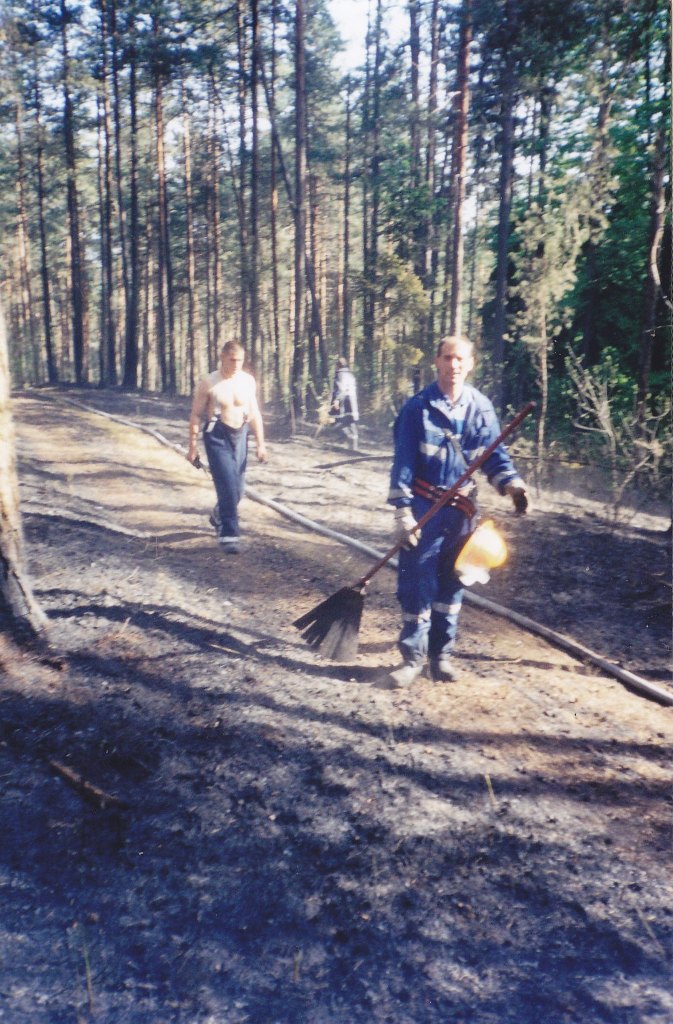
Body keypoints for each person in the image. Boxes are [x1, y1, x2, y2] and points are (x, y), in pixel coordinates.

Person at [387, 335, 528, 687]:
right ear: (437, 361)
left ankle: (441, 657)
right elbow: (403, 463)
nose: (454, 365)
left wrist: (512, 486)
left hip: (462, 513)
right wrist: (403, 512)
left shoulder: (481, 408)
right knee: (417, 584)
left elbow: (496, 457)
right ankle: (412, 659)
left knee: (454, 584)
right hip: (425, 507)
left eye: (460, 359)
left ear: (471, 363)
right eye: (448, 358)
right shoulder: (417, 408)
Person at [187, 340, 268, 552]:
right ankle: (229, 535)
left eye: (240, 360)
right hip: (217, 434)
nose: (236, 364)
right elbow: (196, 414)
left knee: (238, 488)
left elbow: (254, 414)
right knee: (227, 484)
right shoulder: (209, 382)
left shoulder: (248, 381)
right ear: (222, 358)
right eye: (232, 360)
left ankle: (218, 514)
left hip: (240, 434)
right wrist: (192, 447)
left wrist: (261, 443)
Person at [329, 356, 360, 450]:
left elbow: (340, 389)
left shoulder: (340, 374)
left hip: (344, 402)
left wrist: (336, 401)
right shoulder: (350, 375)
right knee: (351, 423)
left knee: (339, 424)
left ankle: (348, 443)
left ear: (338, 365)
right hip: (352, 402)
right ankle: (353, 449)